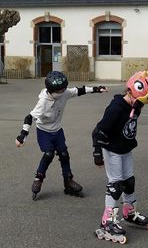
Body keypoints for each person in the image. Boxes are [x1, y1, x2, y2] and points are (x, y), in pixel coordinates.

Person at [16, 71, 107, 199]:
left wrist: (96, 89)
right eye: (59, 91)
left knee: (64, 154)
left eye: (64, 89)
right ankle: (39, 177)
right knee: (49, 154)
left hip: (57, 131)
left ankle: (68, 181)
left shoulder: (63, 92)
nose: (63, 92)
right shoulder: (43, 102)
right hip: (44, 132)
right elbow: (29, 117)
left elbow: (78, 90)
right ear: (51, 90)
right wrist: (23, 134)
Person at [92, 70, 148, 243]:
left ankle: (129, 212)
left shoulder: (135, 106)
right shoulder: (115, 109)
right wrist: (97, 152)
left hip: (125, 149)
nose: (140, 106)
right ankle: (107, 221)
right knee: (116, 184)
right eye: (139, 101)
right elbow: (98, 131)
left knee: (129, 181)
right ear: (130, 91)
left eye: (142, 103)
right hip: (111, 149)